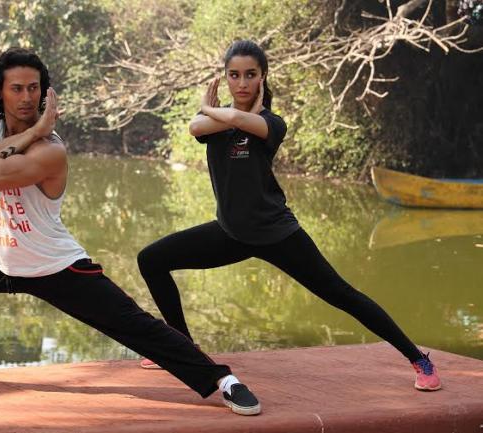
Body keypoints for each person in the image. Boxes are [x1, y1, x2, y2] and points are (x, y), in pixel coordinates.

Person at [0, 47, 262, 416]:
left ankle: (223, 380)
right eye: (16, 88)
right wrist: (17, 132)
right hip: (1, 256)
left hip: (54, 265)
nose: (27, 97)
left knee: (137, 326)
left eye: (34, 88)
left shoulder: (51, 149)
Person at [136, 40, 441, 392]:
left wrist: (209, 108)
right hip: (231, 233)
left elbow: (236, 119)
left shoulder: (271, 123)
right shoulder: (217, 122)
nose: (241, 83)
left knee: (342, 294)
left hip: (276, 234)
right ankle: (183, 349)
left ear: (262, 77)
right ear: (226, 77)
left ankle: (419, 359)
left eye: (250, 74)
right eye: (234, 75)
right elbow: (195, 127)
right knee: (151, 259)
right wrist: (212, 113)